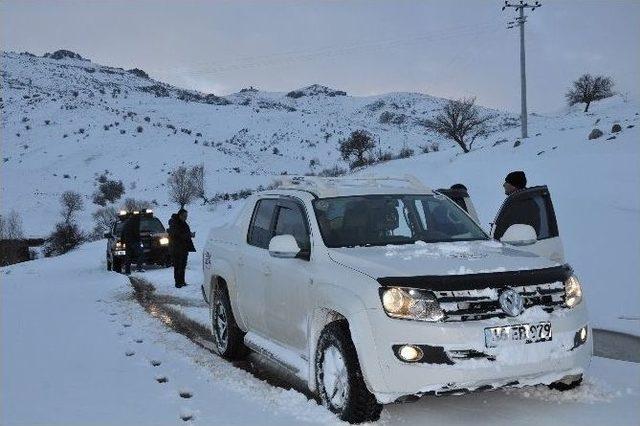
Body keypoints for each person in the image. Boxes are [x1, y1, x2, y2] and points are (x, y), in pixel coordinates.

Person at [493, 170, 540, 240]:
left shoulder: (523, 204)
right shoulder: (517, 201)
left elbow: (517, 232)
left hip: (515, 247)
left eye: (507, 182)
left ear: (514, 185)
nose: (504, 185)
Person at [168, 208, 196, 288]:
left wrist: (190, 234)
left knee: (183, 265)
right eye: (184, 216)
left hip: (183, 248)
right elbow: (177, 235)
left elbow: (183, 233)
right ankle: (178, 283)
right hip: (176, 248)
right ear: (180, 215)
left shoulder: (183, 222)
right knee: (177, 266)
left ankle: (182, 281)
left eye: (186, 216)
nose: (185, 217)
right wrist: (189, 235)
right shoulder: (174, 223)